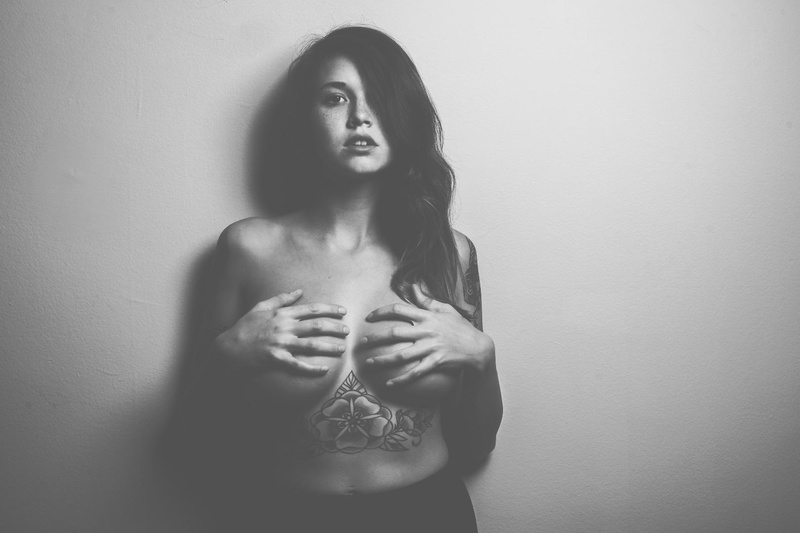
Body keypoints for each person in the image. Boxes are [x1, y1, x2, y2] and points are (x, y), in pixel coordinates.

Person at [182, 25, 502, 532]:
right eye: (335, 98)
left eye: (379, 96)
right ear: (305, 119)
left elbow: (478, 443)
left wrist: (482, 357)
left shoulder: (449, 253)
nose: (360, 116)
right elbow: (196, 435)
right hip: (279, 517)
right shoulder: (248, 249)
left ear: (404, 113)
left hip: (428, 515)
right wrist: (226, 355)